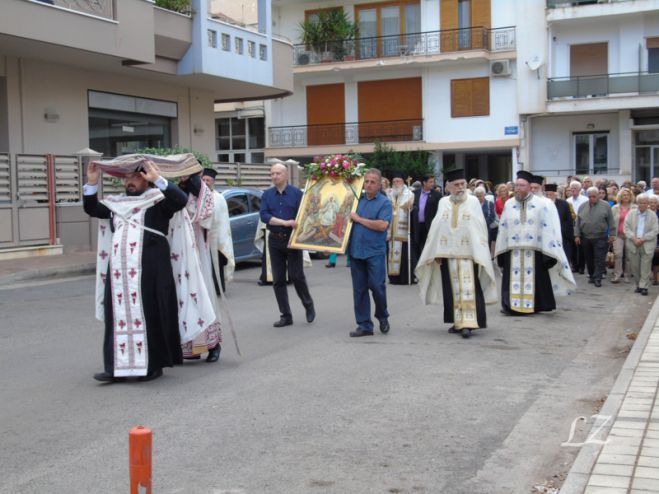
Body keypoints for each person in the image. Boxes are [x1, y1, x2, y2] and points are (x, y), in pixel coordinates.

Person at [84, 159, 208, 382]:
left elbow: (180, 200)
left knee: (150, 314)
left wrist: (157, 179)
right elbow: (92, 208)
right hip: (120, 272)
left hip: (151, 268)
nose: (130, 182)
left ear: (146, 180)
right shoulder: (116, 204)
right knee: (118, 317)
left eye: (136, 177)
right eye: (128, 178)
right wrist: (91, 183)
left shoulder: (158, 201)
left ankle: (152, 365)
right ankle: (115, 368)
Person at [416, 169, 497, 338]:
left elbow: (479, 227)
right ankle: (457, 321)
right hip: (448, 254)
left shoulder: (473, 201)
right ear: (449, 187)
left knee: (469, 288)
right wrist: (436, 251)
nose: (460, 188)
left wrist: (480, 251)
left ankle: (469, 322)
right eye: (456, 185)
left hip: (469, 253)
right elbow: (437, 227)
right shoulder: (443, 202)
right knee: (451, 289)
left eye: (462, 184)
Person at [495, 170, 576, 315]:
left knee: (535, 279)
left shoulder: (540, 204)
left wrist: (550, 249)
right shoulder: (508, 204)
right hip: (512, 250)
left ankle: (533, 305)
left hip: (534, 250)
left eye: (522, 186)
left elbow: (546, 227)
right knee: (511, 278)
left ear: (529, 187)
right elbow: (503, 228)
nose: (518, 188)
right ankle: (510, 305)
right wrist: (501, 250)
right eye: (517, 185)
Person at [259, 163, 315, 327]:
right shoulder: (267, 195)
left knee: (296, 275)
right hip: (275, 239)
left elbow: (304, 214)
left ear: (285, 175)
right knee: (278, 279)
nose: (274, 176)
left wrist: (299, 225)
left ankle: (308, 304)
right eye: (272, 173)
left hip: (292, 240)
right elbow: (264, 215)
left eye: (277, 173)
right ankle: (286, 315)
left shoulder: (297, 194)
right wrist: (285, 222)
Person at [177, 172, 224, 363]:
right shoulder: (176, 196)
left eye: (186, 177)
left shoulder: (205, 198)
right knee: (182, 299)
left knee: (203, 297)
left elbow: (206, 219)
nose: (182, 179)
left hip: (197, 253)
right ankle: (191, 346)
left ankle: (213, 345)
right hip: (178, 255)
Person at [348, 168, 392, 337]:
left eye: (373, 182)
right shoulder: (356, 201)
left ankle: (382, 315)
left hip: (375, 251)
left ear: (380, 184)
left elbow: (382, 225)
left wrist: (359, 219)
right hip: (356, 251)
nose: (369, 185)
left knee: (377, 286)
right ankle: (364, 325)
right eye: (366, 181)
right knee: (359, 289)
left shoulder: (384, 202)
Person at [200, 168, 235, 295]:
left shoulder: (219, 198)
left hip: (216, 237)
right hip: (201, 236)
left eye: (208, 180)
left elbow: (222, 220)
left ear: (213, 181)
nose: (205, 182)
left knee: (216, 265)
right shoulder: (197, 196)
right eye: (203, 180)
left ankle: (218, 288)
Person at [575, 187, 616, 287]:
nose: (592, 198)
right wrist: (577, 235)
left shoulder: (605, 206)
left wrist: (612, 234)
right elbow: (578, 222)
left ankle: (598, 278)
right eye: (590, 197)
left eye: (594, 196)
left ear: (598, 196)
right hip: (586, 237)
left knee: (599, 258)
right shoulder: (582, 206)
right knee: (589, 259)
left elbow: (611, 220)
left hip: (600, 236)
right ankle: (592, 275)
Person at [624, 194, 659, 296]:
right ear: (637, 203)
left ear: (647, 204)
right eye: (640, 202)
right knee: (635, 267)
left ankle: (644, 286)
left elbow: (655, 230)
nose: (642, 205)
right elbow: (626, 228)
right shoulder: (631, 214)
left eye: (645, 203)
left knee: (646, 267)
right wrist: (634, 238)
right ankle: (638, 285)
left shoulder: (652, 215)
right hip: (633, 243)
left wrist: (643, 239)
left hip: (647, 244)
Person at [386, 172, 415, 284]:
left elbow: (412, 210)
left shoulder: (410, 194)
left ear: (403, 182)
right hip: (391, 230)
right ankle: (393, 278)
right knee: (390, 253)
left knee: (403, 255)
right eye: (394, 182)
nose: (395, 183)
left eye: (398, 181)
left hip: (403, 230)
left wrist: (410, 206)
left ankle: (404, 278)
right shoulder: (389, 194)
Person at [411, 174, 441, 278]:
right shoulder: (415, 193)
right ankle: (417, 271)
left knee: (427, 247)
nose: (433, 184)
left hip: (429, 226)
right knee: (416, 247)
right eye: (430, 182)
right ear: (424, 183)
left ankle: (428, 271)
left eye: (433, 182)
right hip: (416, 225)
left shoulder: (437, 195)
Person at [610, 188, 636, 284]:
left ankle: (627, 275)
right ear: (620, 196)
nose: (625, 196)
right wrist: (611, 234)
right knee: (618, 254)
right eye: (624, 195)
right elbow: (611, 223)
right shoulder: (615, 208)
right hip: (618, 235)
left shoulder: (635, 208)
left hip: (630, 236)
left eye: (627, 195)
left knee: (629, 256)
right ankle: (617, 275)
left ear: (630, 196)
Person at [545, 183, 574, 264]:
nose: (548, 196)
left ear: (555, 194)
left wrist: (560, 231)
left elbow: (568, 221)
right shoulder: (542, 204)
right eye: (547, 194)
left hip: (562, 237)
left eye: (550, 194)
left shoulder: (564, 204)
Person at [566, 180, 588, 273]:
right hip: (571, 225)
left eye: (575, 188)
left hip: (582, 225)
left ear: (579, 189)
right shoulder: (568, 201)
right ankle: (574, 265)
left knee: (581, 247)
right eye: (572, 188)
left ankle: (581, 267)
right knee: (572, 247)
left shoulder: (585, 200)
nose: (573, 190)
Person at [475, 186, 497, 258]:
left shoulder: (489, 203)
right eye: (477, 196)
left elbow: (492, 216)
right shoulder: (474, 204)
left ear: (484, 195)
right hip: (476, 228)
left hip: (486, 228)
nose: (479, 198)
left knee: (486, 244)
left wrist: (483, 223)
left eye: (480, 196)